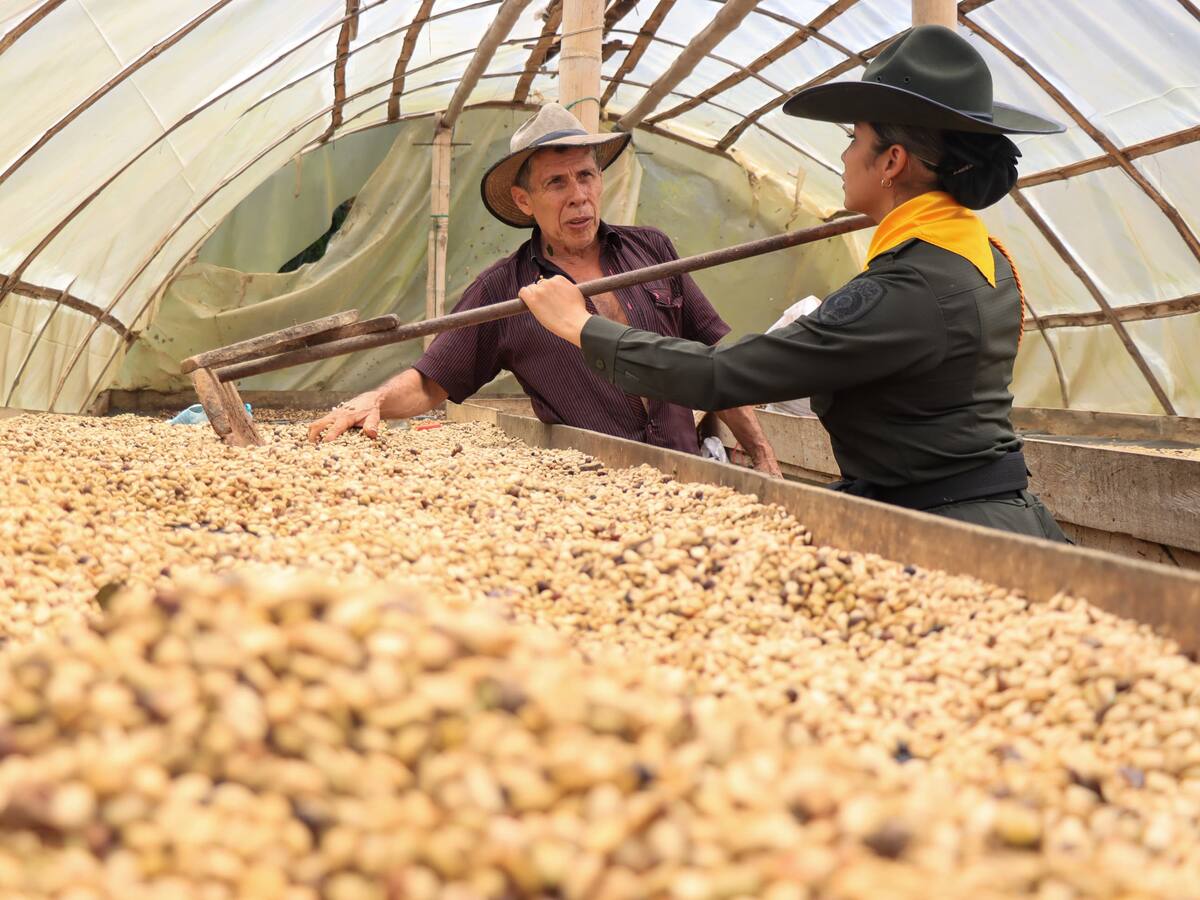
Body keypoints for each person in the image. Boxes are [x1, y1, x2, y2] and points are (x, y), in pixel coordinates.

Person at [518, 26, 1071, 540]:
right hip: (995, 510)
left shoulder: (901, 289)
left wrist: (582, 326)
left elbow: (719, 373)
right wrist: (825, 345)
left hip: (953, 532)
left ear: (892, 162)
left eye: (856, 138)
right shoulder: (985, 258)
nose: (846, 153)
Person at [308, 103, 780, 476]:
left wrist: (761, 454)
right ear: (523, 200)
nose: (578, 195)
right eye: (556, 182)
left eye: (586, 175)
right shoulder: (506, 288)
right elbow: (432, 382)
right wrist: (373, 401)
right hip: (590, 490)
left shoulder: (652, 250)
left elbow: (713, 363)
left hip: (688, 473)